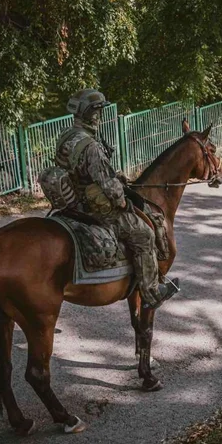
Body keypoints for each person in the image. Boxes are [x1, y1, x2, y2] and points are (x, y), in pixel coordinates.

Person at [55, 89, 178, 308]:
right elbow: (107, 184)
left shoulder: (67, 136)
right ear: (91, 114)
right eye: (98, 112)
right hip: (96, 207)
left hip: (73, 200)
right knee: (144, 234)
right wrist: (122, 200)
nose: (100, 116)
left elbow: (77, 170)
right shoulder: (90, 145)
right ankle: (151, 292)